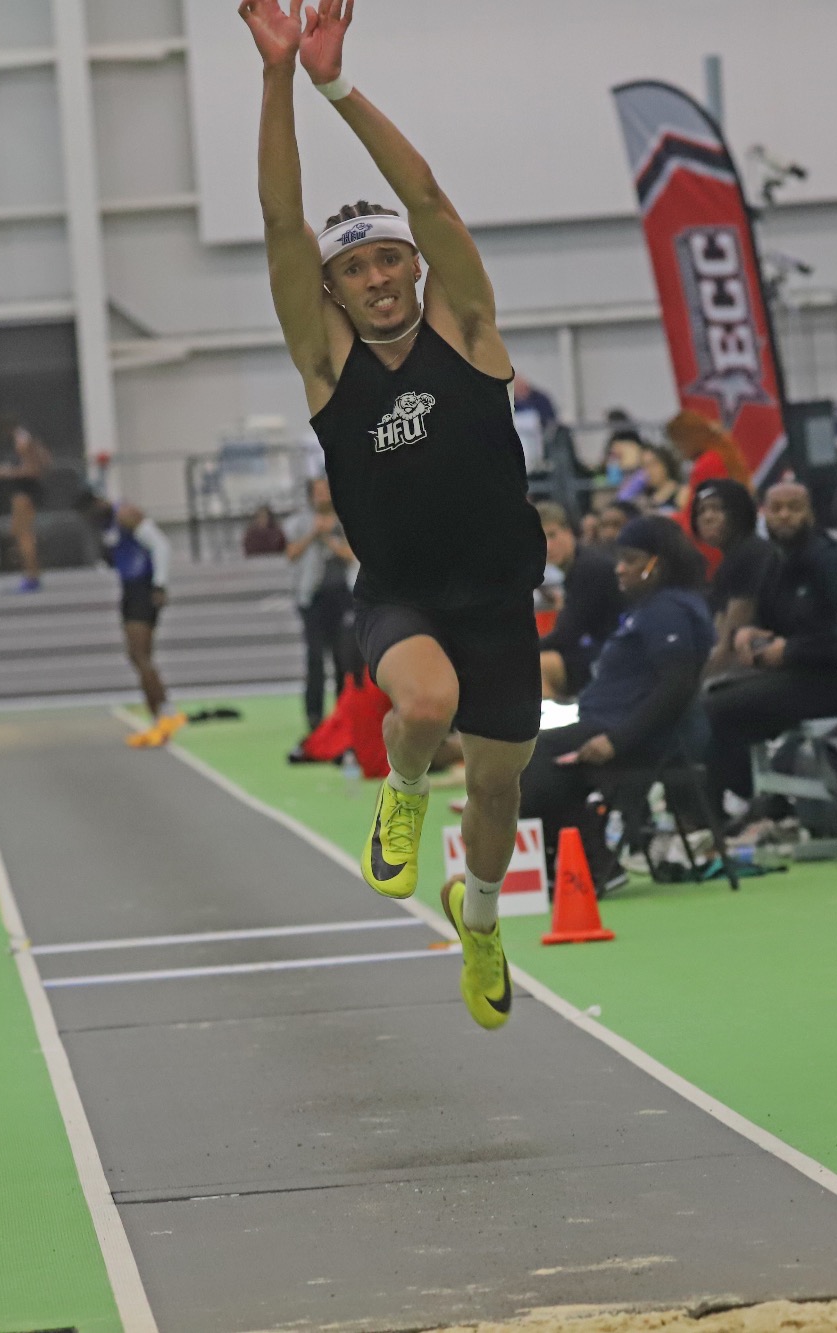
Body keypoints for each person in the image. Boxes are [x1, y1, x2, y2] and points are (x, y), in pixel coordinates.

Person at [243, 0, 547, 1030]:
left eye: (386, 260)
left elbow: (427, 197)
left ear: (411, 265)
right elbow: (283, 223)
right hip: (404, 594)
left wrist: (337, 85)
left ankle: (481, 918)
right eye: (353, 270)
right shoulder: (325, 365)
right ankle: (403, 791)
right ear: (330, 290)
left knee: (500, 801)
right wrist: (279, 77)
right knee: (421, 706)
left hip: (501, 595)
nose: (374, 278)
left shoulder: (465, 330)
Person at [519, 516, 712, 892]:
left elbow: (676, 687)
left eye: (631, 560)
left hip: (652, 739)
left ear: (659, 563)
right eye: (619, 558)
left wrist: (617, 741)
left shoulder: (668, 610)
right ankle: (591, 859)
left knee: (532, 756)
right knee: (542, 755)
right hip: (614, 725)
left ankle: (584, 862)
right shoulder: (648, 608)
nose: (619, 568)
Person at [705, 482, 837, 811]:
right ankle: (755, 800)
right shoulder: (775, 562)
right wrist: (750, 634)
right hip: (796, 677)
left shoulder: (833, 560)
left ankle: (749, 805)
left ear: (810, 513)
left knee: (716, 710)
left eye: (794, 507)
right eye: (776, 508)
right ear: (764, 513)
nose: (785, 515)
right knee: (709, 701)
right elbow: (774, 625)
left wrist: (789, 651)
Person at [82, 494, 181, 747]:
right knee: (135, 656)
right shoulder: (105, 526)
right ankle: (160, 713)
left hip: (143, 587)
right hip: (129, 588)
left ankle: (164, 714)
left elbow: (161, 546)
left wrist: (160, 584)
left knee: (141, 655)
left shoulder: (126, 514)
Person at [283, 476, 362, 732]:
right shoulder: (298, 523)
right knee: (314, 658)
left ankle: (344, 715)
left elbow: (352, 556)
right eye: (317, 492)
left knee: (344, 658)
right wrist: (313, 533)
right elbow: (291, 554)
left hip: (342, 597)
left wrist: (329, 538)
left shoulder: (347, 519)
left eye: (325, 491)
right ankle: (314, 718)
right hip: (312, 598)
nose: (322, 496)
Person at [534, 501, 621, 701]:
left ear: (568, 532)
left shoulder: (587, 568)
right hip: (602, 648)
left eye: (552, 535)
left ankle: (552, 728)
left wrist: (520, 651)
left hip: (613, 656)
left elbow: (566, 635)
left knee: (534, 667)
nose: (547, 546)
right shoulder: (579, 565)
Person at [694, 478, 773, 680]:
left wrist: (697, 684)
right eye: (701, 511)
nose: (708, 517)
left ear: (739, 513)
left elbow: (728, 644)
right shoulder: (730, 561)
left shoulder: (750, 554)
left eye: (717, 509)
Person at [0, 423, 53, 592]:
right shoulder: (30, 451)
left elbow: (31, 471)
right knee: (20, 534)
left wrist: (5, 473)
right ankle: (31, 574)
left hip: (25, 494)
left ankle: (32, 576)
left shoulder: (29, 450)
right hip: (24, 493)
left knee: (24, 535)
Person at [637, 444, 682, 514]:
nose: (648, 471)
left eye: (653, 464)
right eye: (643, 466)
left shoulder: (682, 493)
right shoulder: (643, 497)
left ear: (666, 465)